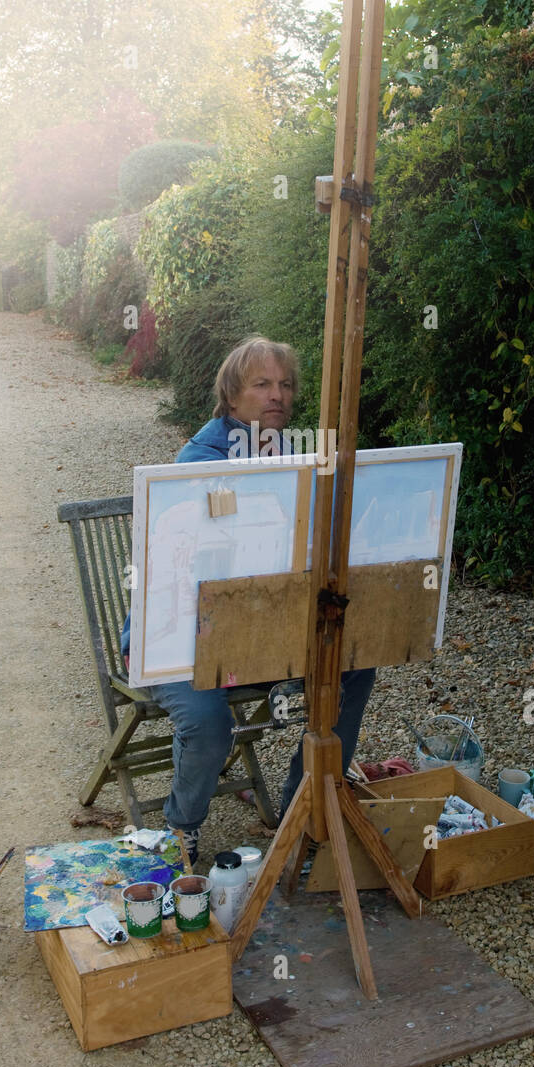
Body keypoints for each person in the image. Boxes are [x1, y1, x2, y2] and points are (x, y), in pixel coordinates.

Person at [121, 336, 376, 863]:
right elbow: (193, 565)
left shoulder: (292, 456)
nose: (277, 395)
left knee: (354, 669)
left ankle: (297, 816)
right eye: (262, 384)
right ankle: (181, 827)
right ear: (231, 396)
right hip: (177, 635)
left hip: (255, 631)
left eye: (284, 385)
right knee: (208, 722)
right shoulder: (201, 459)